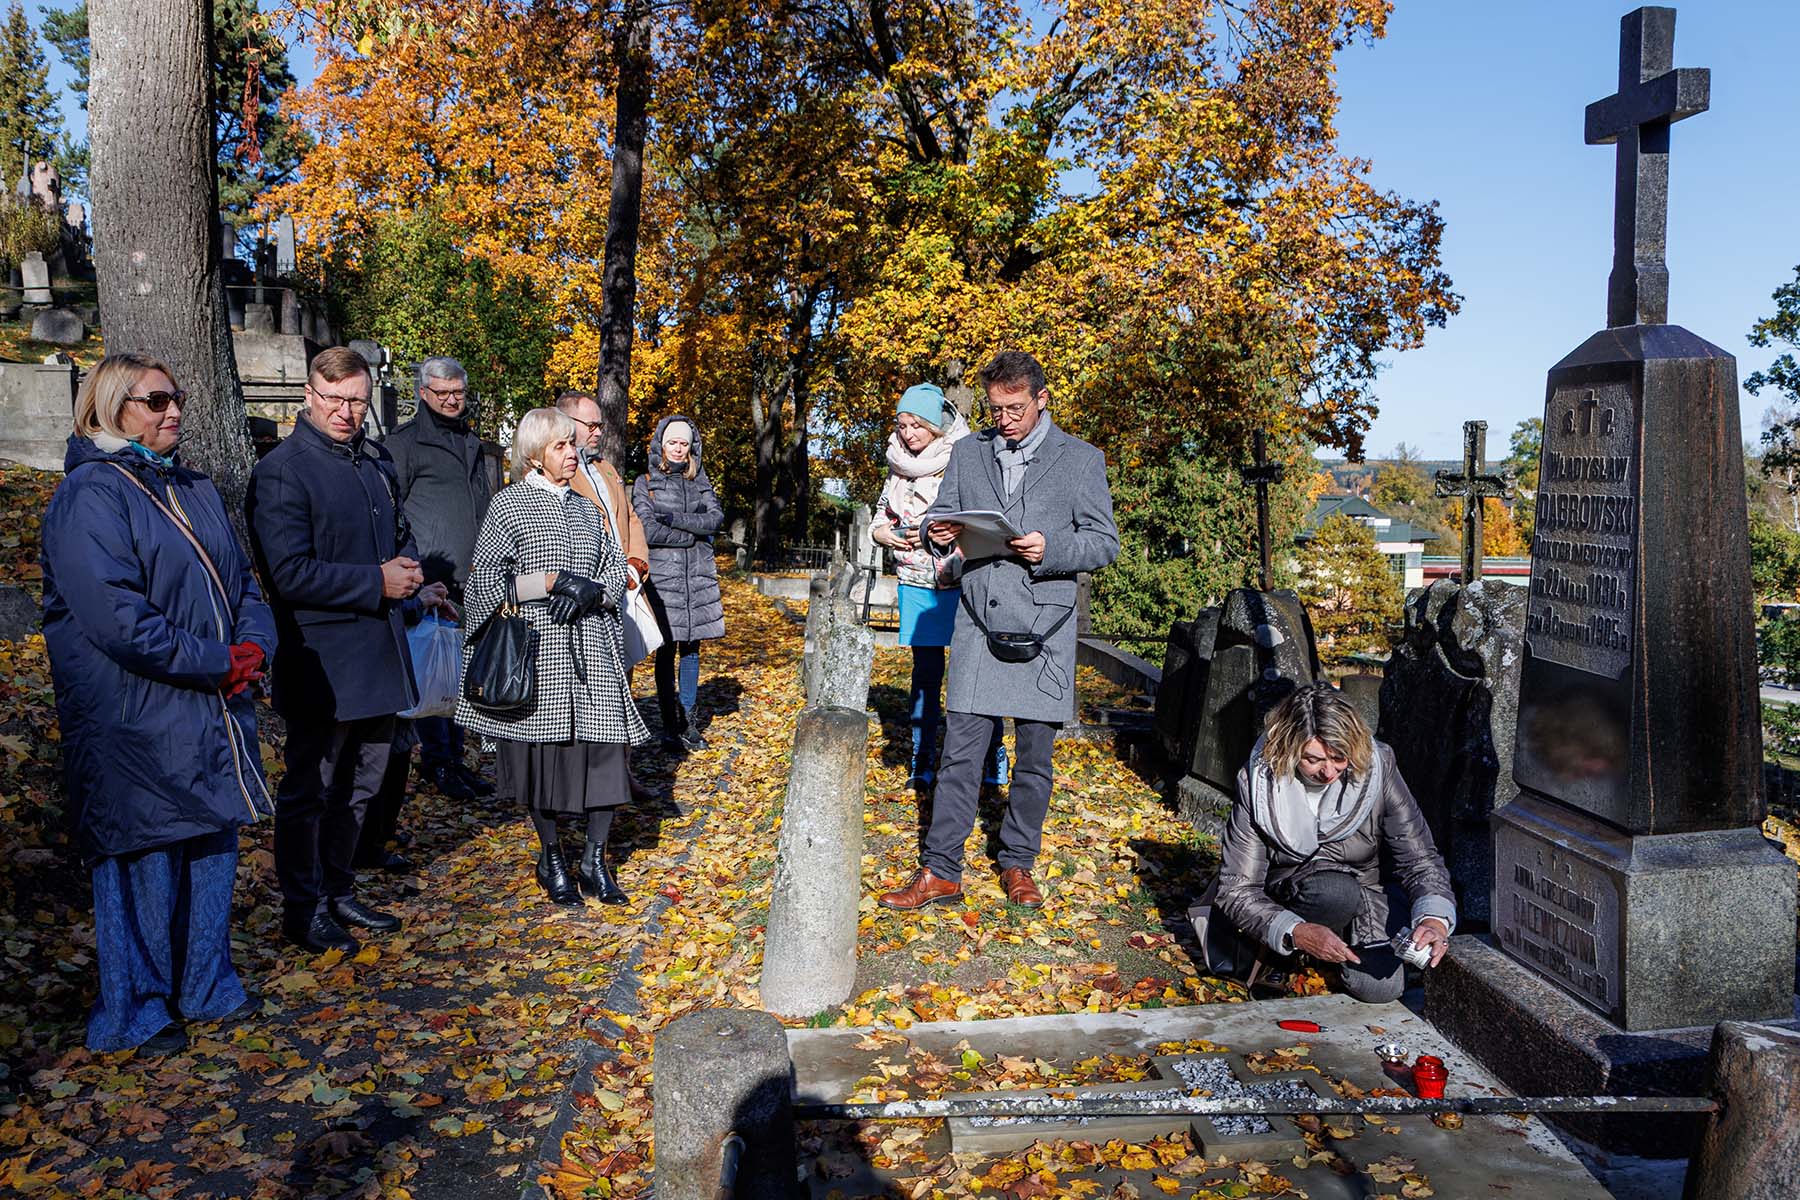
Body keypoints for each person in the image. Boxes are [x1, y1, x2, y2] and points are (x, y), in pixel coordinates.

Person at [41, 353, 273, 1054]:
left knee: (209, 849)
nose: (174, 412)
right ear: (111, 407)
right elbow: (116, 617)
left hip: (207, 706)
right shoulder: (91, 494)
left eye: (177, 400)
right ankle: (139, 1009)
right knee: (143, 857)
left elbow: (243, 587)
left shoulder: (194, 486)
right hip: (133, 713)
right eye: (156, 401)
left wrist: (255, 647)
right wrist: (215, 661)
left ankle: (205, 986)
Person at [879, 351, 1119, 912]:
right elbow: (944, 518)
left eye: (1015, 409)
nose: (1004, 419)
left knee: (1035, 758)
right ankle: (941, 870)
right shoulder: (968, 453)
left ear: (1041, 400)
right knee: (961, 751)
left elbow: (1104, 542)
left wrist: (1051, 549)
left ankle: (1018, 862)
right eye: (995, 409)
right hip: (978, 622)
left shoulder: (1082, 460)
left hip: (1045, 627)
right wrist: (939, 531)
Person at [248, 347, 451, 953]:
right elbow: (286, 573)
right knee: (313, 788)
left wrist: (414, 580)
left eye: (356, 401)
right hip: (323, 661)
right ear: (308, 395)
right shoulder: (283, 470)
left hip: (382, 651)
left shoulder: (374, 461)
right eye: (332, 399)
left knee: (364, 782)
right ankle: (302, 906)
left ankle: (338, 888)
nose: (344, 411)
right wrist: (376, 582)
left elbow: (398, 536)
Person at [458, 408, 650, 904]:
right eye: (562, 446)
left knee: (606, 756)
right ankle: (553, 859)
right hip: (536, 650)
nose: (573, 453)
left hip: (592, 650)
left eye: (574, 444)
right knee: (541, 762)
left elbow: (612, 568)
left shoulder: (587, 509)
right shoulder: (510, 505)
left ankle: (595, 858)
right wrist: (544, 583)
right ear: (535, 454)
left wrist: (596, 593)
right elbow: (483, 584)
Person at [1211, 684, 1456, 1003]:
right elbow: (1236, 888)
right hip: (1293, 889)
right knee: (1334, 892)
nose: (1328, 771)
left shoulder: (1379, 767)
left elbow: (1420, 859)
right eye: (1313, 759)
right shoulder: (1258, 781)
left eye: (1339, 758)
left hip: (1367, 886)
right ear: (1289, 749)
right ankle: (1285, 955)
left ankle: (1333, 945)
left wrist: (1433, 919)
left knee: (1381, 989)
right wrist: (1294, 931)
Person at [869, 383, 1009, 791]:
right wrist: (883, 535)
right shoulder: (897, 464)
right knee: (926, 675)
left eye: (916, 425)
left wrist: (942, 540)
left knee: (975, 673)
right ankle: (922, 756)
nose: (908, 433)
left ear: (934, 426)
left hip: (960, 581)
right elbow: (882, 512)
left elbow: (980, 519)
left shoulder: (962, 459)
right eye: (901, 425)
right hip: (914, 579)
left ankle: (992, 751)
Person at [381, 356, 493, 804]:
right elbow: (393, 509)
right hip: (428, 575)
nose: (450, 400)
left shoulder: (471, 441)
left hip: (470, 572)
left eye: (457, 392)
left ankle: (454, 757)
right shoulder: (405, 443)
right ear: (423, 393)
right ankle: (437, 760)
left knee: (456, 671)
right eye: (441, 392)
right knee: (431, 669)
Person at [556, 391, 658, 800]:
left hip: (626, 589)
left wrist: (636, 563)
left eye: (600, 424)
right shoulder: (559, 475)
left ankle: (622, 772)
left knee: (623, 687)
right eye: (590, 425)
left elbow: (630, 519)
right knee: (590, 694)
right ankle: (584, 780)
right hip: (589, 599)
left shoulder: (607, 468)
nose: (599, 432)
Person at [631, 415, 724, 751]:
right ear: (661, 443)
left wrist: (675, 520)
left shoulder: (699, 479)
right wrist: (692, 535)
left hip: (697, 579)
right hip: (664, 579)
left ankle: (689, 722)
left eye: (684, 443)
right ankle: (670, 726)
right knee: (666, 651)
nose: (678, 449)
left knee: (692, 651)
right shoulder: (646, 482)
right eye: (673, 442)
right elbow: (649, 529)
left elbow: (715, 518)